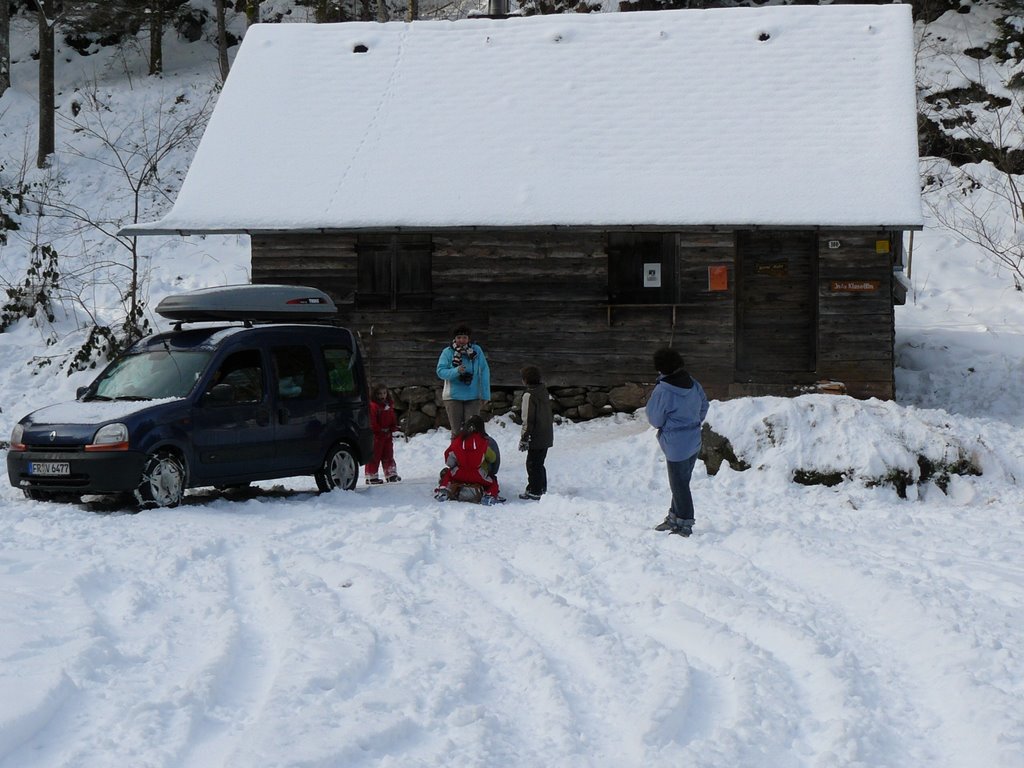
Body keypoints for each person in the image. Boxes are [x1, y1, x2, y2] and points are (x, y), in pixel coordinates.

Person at [645, 348, 709, 537]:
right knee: (682, 481)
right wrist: (693, 422)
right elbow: (704, 405)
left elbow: (655, 419)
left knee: (679, 485)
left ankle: (685, 523)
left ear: (661, 368)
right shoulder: (692, 383)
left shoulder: (663, 390)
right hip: (694, 439)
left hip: (676, 444)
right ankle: (675, 517)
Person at [434, 415, 505, 505]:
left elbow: (449, 460)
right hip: (477, 474)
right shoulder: (484, 441)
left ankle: (444, 489)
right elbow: (492, 458)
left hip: (459, 473)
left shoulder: (458, 440)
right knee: (493, 482)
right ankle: (490, 495)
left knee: (447, 475)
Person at [436, 324, 491, 436]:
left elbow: (484, 371)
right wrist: (456, 371)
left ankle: (471, 454)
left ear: (469, 339)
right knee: (457, 433)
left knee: (472, 431)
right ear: (455, 338)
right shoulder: (447, 352)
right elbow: (440, 372)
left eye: (464, 337)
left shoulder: (476, 351)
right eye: (459, 337)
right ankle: (455, 453)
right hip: (453, 397)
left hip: (473, 396)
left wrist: (486, 394)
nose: (462, 340)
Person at [518, 365, 553, 500]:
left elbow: (527, 419)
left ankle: (535, 490)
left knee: (532, 464)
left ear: (525, 380)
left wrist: (524, 437)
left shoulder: (529, 395)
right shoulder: (543, 391)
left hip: (535, 435)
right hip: (546, 433)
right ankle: (541, 487)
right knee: (539, 462)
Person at [365, 382, 402, 484]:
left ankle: (391, 474)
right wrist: (378, 430)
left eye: (384, 393)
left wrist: (393, 426)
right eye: (380, 394)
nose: (382, 396)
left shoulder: (388, 405)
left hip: (387, 434)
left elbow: (392, 417)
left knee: (388, 454)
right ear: (375, 395)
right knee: (375, 455)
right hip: (377, 436)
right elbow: (372, 421)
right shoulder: (373, 406)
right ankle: (371, 476)